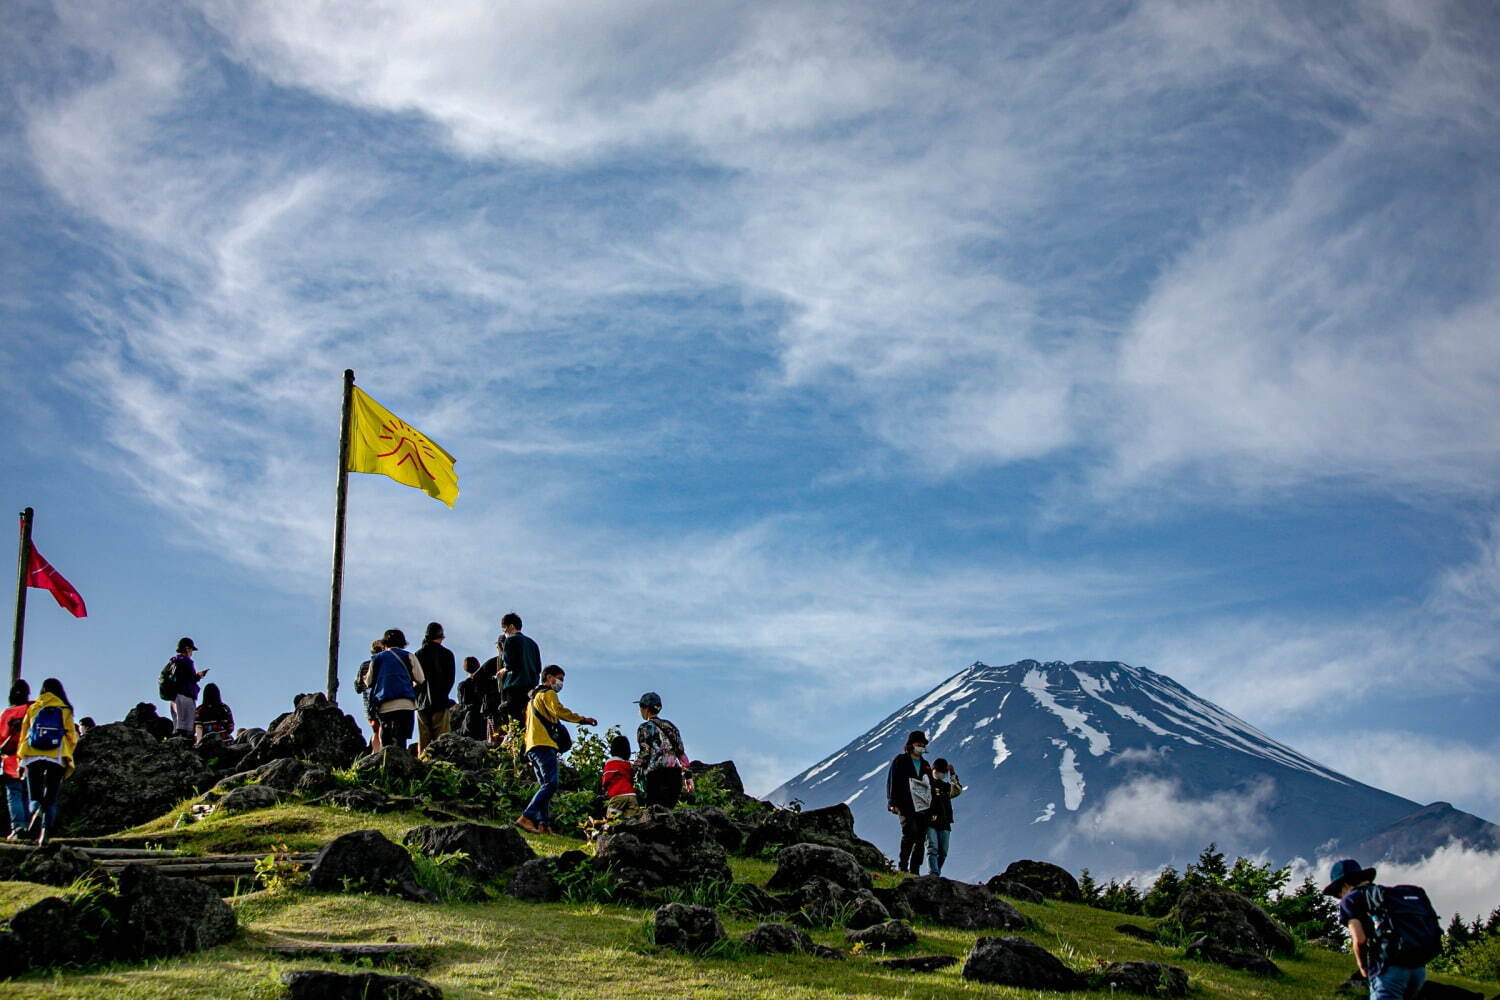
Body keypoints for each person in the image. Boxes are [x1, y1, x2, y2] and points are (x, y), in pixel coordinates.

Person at [1324, 858, 1440, 999]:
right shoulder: (1383, 897)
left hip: (1388, 968)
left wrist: (1362, 968)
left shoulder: (1350, 900)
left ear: (1344, 885)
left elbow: (1359, 940)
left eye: (1337, 893)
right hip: (1418, 970)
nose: (1339, 897)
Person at [517, 664, 595, 834]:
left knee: (545, 785)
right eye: (559, 678)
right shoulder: (548, 693)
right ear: (549, 677)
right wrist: (583, 720)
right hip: (544, 744)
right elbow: (559, 711)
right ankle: (527, 816)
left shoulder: (533, 698)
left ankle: (544, 824)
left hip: (532, 745)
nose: (560, 682)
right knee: (551, 784)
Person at [17, 677, 77, 845]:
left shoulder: (34, 707)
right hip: (56, 755)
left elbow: (24, 733)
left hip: (33, 755)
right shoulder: (64, 709)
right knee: (50, 797)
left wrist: (20, 759)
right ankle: (45, 830)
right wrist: (67, 752)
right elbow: (71, 735)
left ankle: (36, 813)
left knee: (34, 796)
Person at [365, 628, 425, 752]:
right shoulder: (409, 656)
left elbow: (368, 682)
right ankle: (401, 762)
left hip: (384, 704)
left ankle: (385, 763)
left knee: (386, 738)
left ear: (384, 643)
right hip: (405, 703)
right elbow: (420, 679)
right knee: (401, 739)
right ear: (402, 642)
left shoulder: (377, 658)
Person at [885, 729, 934, 875]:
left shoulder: (926, 765)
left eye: (923, 744)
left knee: (920, 838)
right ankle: (903, 865)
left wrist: (932, 809)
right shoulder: (900, 760)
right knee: (910, 832)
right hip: (905, 804)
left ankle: (915, 869)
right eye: (918, 744)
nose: (921, 746)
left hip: (923, 807)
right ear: (911, 745)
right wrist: (892, 802)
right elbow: (892, 781)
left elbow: (930, 786)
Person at [633, 692, 689, 809]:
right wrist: (688, 777)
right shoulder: (670, 726)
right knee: (668, 811)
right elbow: (681, 752)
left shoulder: (644, 728)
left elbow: (645, 753)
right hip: (674, 776)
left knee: (655, 812)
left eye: (641, 707)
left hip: (656, 775)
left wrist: (633, 771)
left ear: (646, 709)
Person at [414, 622, 456, 753]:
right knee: (441, 741)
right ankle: (440, 768)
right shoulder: (447, 654)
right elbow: (450, 680)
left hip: (421, 702)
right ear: (441, 637)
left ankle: (423, 766)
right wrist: (443, 695)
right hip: (440, 701)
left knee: (424, 741)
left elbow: (414, 680)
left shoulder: (418, 654)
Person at [498, 612, 541, 729]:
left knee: (515, 719)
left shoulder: (511, 640)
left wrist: (504, 670)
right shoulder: (533, 643)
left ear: (511, 626)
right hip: (531, 685)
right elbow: (538, 667)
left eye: (504, 629)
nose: (505, 633)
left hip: (514, 684)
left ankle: (515, 742)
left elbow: (510, 663)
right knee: (527, 716)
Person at [0, 680, 32, 840]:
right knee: (28, 795)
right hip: (32, 759)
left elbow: (1, 740)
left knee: (14, 794)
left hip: (11, 762)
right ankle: (32, 827)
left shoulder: (7, 713)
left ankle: (19, 826)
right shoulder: (32, 709)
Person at [926, 757, 963, 876]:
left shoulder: (946, 787)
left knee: (943, 851)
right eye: (937, 771)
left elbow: (957, 790)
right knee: (932, 848)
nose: (939, 774)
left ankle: (937, 870)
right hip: (930, 822)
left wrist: (953, 775)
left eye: (942, 772)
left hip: (945, 821)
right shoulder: (927, 784)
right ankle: (934, 872)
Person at [166, 637, 208, 738]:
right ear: (187, 648)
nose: (191, 652)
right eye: (191, 649)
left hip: (174, 697)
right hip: (185, 696)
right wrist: (200, 675)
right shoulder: (186, 661)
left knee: (177, 724)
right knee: (186, 727)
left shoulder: (173, 662)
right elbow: (191, 678)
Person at [354, 638, 386, 752]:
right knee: (385, 728)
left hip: (369, 703)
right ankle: (383, 752)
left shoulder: (365, 665)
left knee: (375, 730)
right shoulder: (386, 664)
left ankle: (375, 753)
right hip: (384, 700)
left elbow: (358, 687)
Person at [476, 636, 506, 744]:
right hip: (495, 706)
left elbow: (476, 679)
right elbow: (477, 679)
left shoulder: (496, 662)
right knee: (498, 737)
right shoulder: (495, 663)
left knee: (496, 739)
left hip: (496, 706)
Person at [452, 656, 488, 741]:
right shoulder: (487, 682)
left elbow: (463, 704)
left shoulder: (463, 685)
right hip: (485, 719)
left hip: (471, 720)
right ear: (479, 666)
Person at [602, 733, 637, 819]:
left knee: (612, 819)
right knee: (632, 819)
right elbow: (631, 779)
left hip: (617, 794)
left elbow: (607, 777)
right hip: (631, 794)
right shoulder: (627, 765)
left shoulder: (610, 763)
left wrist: (604, 788)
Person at [194, 683, 235, 747]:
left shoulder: (200, 709)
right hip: (225, 741)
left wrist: (199, 743)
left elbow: (198, 727)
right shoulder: (225, 708)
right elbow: (230, 727)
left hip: (207, 743)